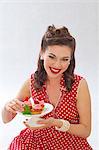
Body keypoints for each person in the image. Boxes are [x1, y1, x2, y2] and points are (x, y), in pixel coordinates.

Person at [2, 25, 92, 150]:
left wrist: (57, 123)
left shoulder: (79, 84)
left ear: (70, 60)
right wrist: (8, 107)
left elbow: (86, 130)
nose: (57, 65)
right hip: (36, 142)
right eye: (51, 57)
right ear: (42, 54)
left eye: (64, 59)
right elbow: (6, 119)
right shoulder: (32, 82)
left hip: (70, 144)